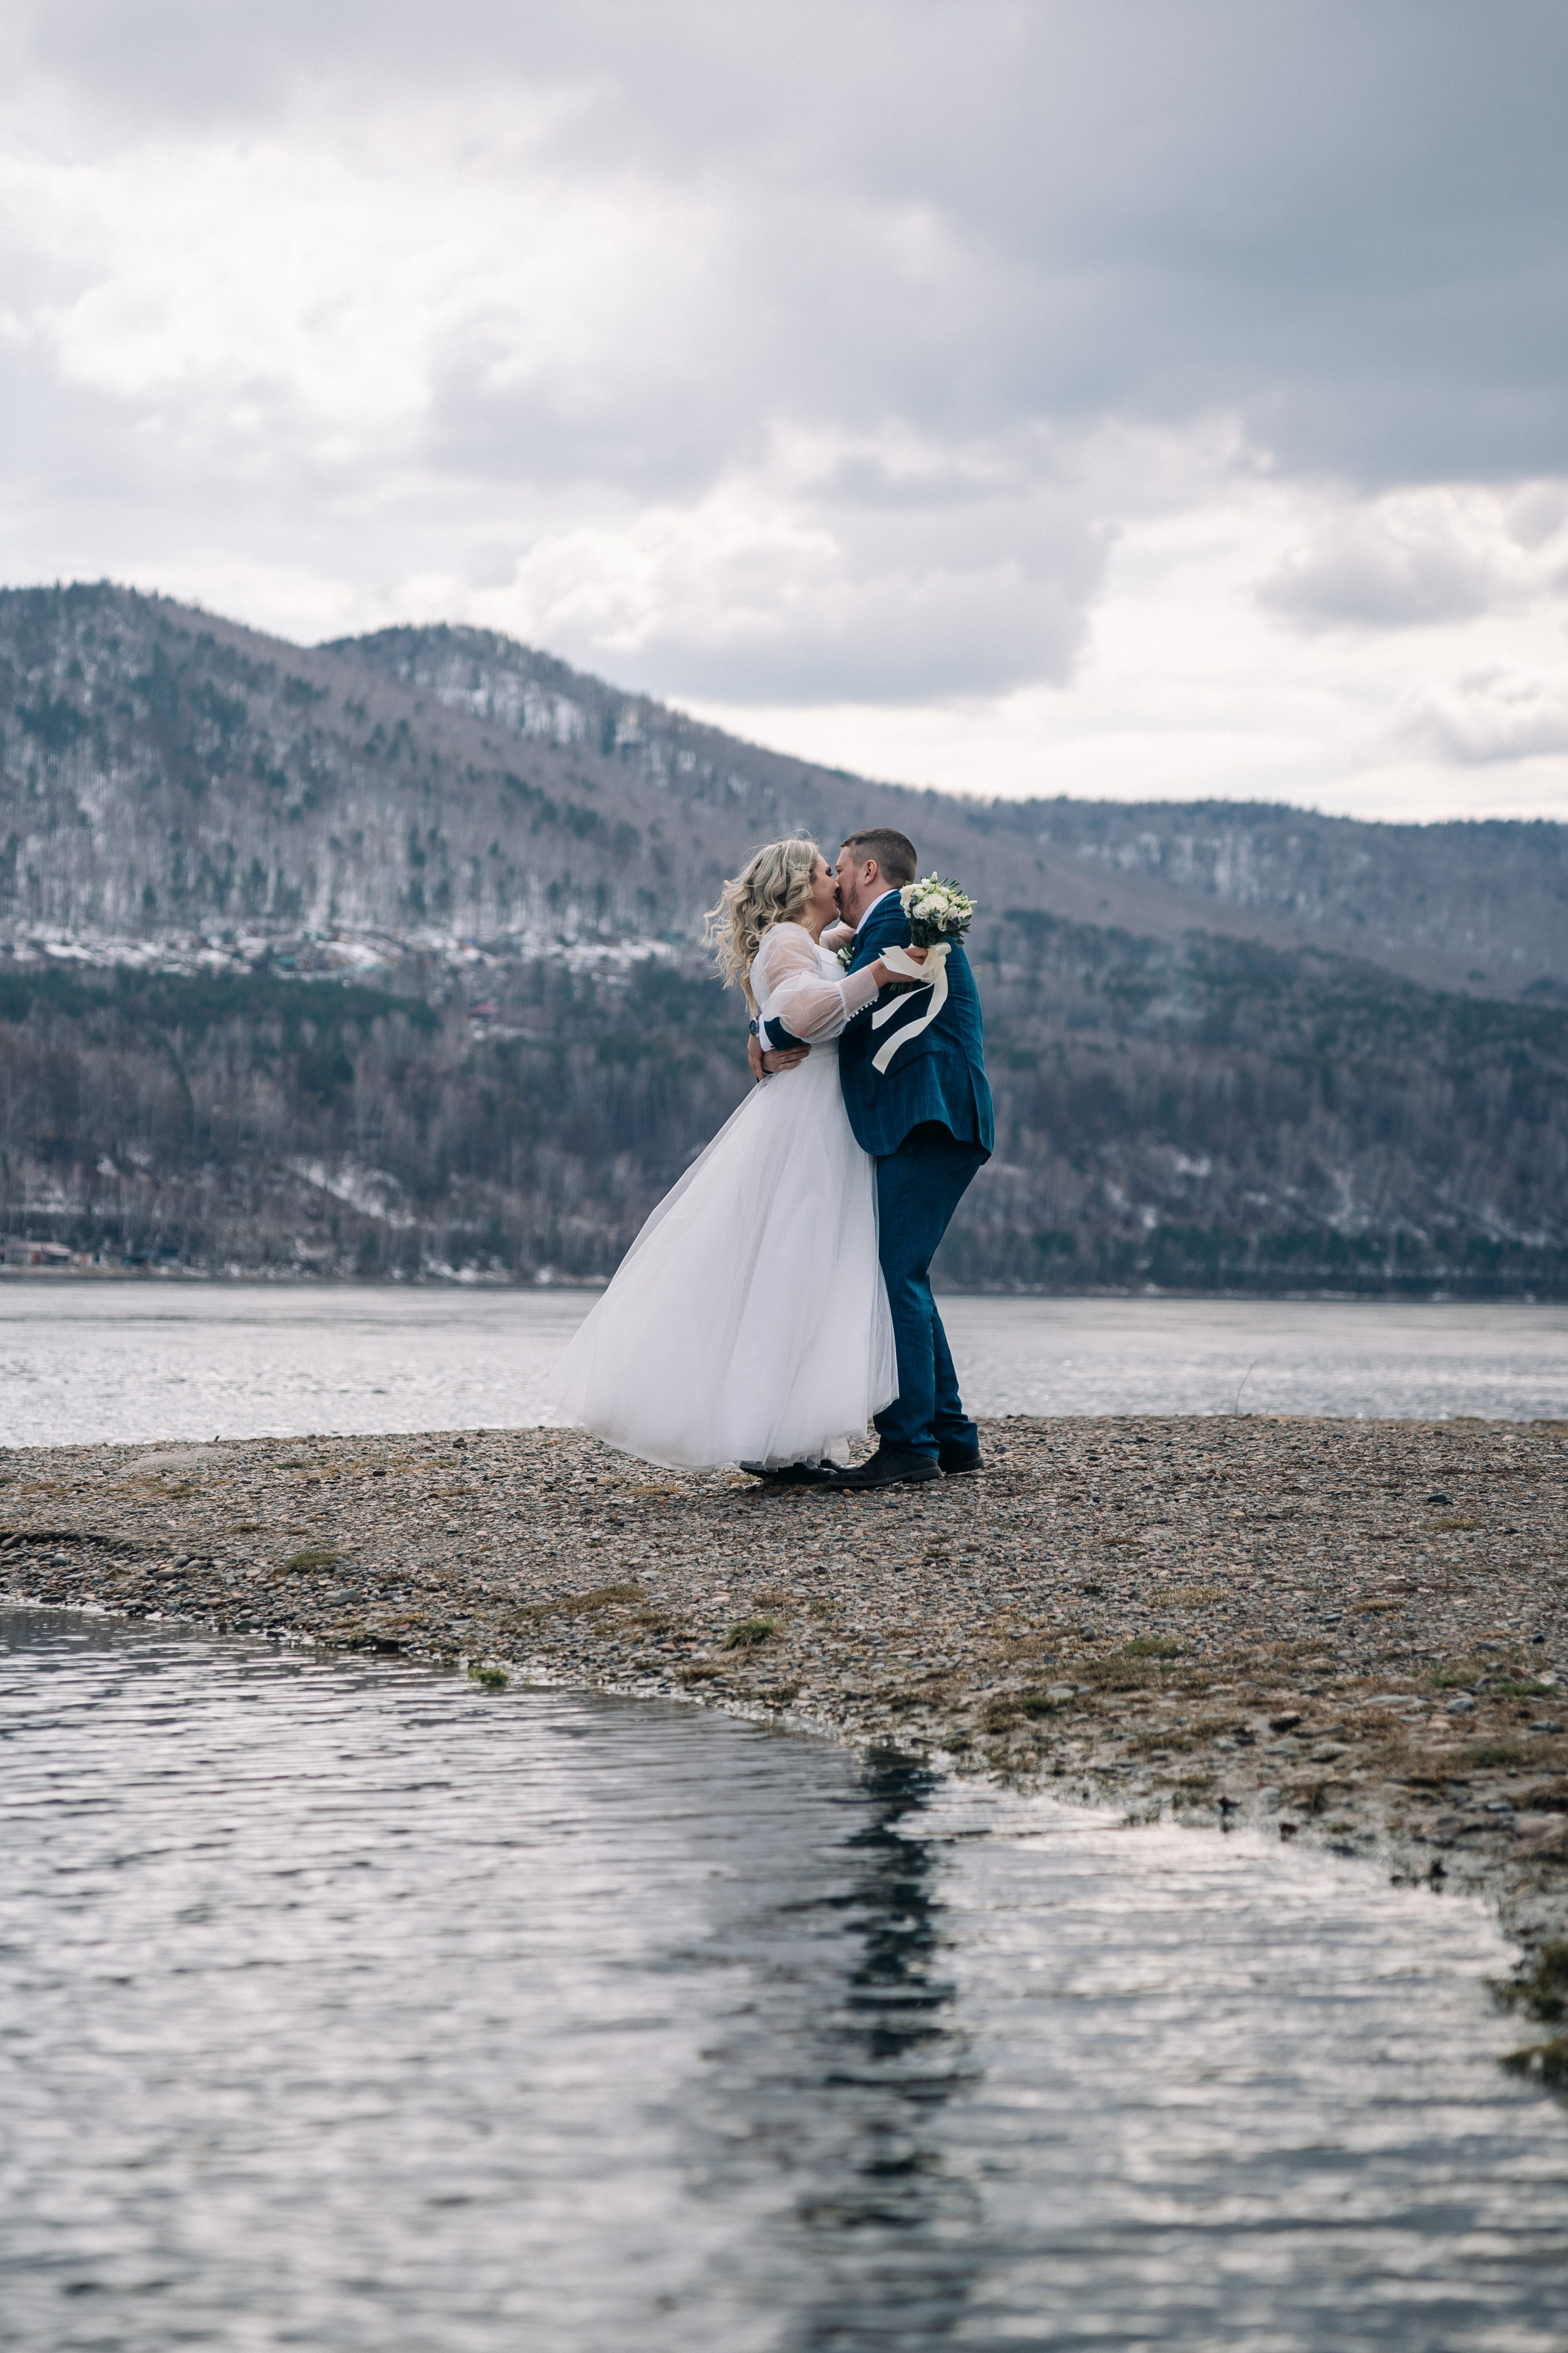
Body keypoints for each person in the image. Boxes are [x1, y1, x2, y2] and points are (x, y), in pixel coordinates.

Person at [546, 837, 907, 1473]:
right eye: (828, 870)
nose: (837, 877)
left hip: (821, 1117)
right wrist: (876, 975)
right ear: (801, 885)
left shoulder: (816, 943)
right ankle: (765, 1438)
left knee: (806, 1270)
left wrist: (762, 1032)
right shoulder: (788, 941)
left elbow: (783, 1012)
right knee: (788, 1267)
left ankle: (784, 1435)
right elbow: (800, 1012)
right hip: (805, 1126)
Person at [752, 826, 993, 1490]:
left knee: (896, 1274)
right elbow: (817, 992)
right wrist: (764, 1030)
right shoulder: (885, 926)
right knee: (902, 1270)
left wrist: (768, 1033)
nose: (830, 877)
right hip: (926, 1117)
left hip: (927, 1114)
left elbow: (815, 1008)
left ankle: (910, 1444)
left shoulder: (898, 914)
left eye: (836, 867)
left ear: (863, 870)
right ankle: (949, 1437)